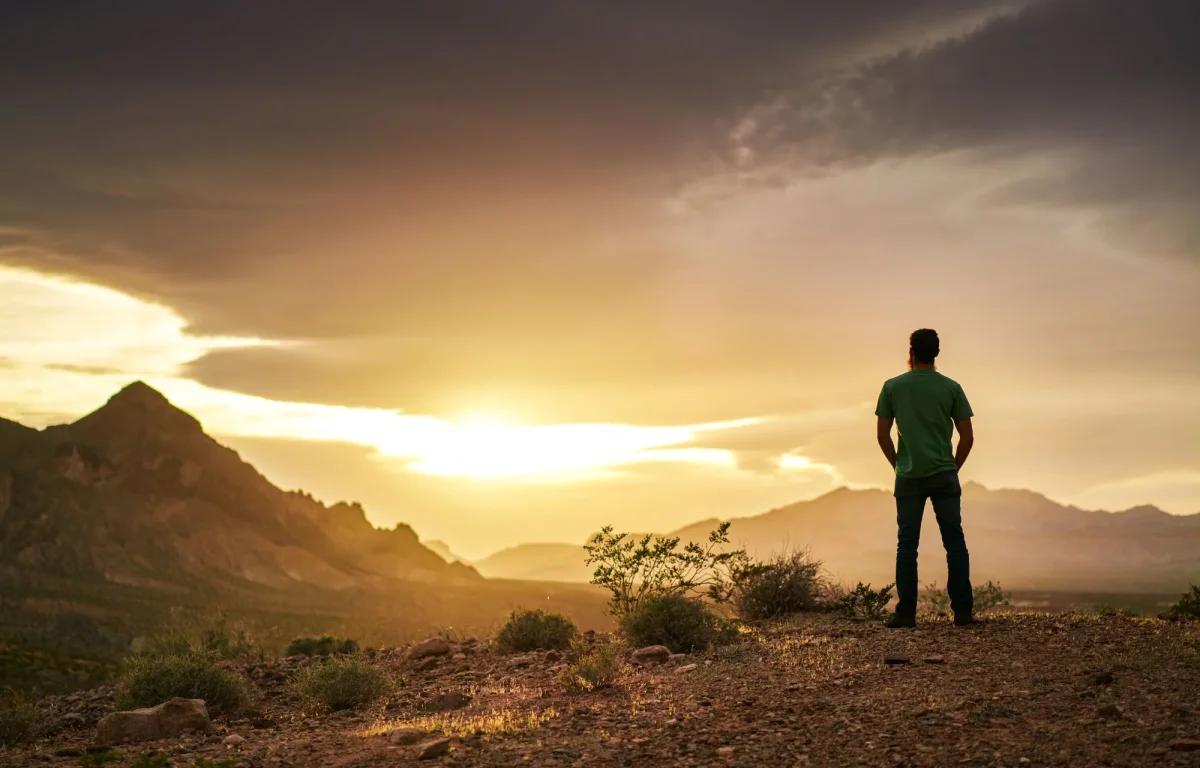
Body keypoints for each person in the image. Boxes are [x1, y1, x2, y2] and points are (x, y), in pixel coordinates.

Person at [875, 328, 976, 628]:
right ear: (936, 353)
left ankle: (906, 614)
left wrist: (898, 464)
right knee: (954, 543)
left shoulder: (892, 387)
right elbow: (967, 436)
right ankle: (962, 613)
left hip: (909, 475)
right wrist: (952, 468)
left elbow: (882, 435)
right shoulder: (952, 388)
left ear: (911, 353)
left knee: (907, 545)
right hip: (944, 473)